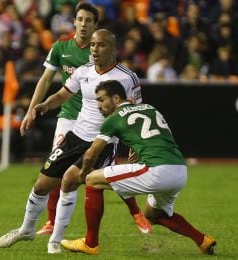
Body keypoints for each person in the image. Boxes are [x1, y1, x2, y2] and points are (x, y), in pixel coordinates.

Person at [0, 29, 150, 254]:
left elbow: (134, 113)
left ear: (112, 48)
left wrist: (135, 144)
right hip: (75, 136)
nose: (95, 49)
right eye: (93, 46)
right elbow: (63, 94)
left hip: (103, 141)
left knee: (69, 180)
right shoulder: (83, 71)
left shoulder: (127, 77)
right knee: (41, 185)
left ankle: (55, 242)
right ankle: (26, 230)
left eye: (101, 45)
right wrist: (46, 104)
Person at [61, 80, 217, 255]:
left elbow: (91, 154)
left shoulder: (114, 118)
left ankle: (90, 244)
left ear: (116, 98)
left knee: (92, 180)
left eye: (101, 100)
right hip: (180, 170)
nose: (98, 106)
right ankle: (203, 240)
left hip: (157, 170)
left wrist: (83, 173)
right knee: (154, 215)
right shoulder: (150, 108)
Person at [19, 2, 99, 236]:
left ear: (95, 25)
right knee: (56, 168)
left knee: (98, 174)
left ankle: (136, 213)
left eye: (89, 20)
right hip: (68, 117)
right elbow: (45, 80)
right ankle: (51, 222)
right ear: (74, 21)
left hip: (94, 120)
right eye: (80, 19)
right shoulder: (60, 47)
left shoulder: (99, 50)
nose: (84, 24)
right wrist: (31, 110)